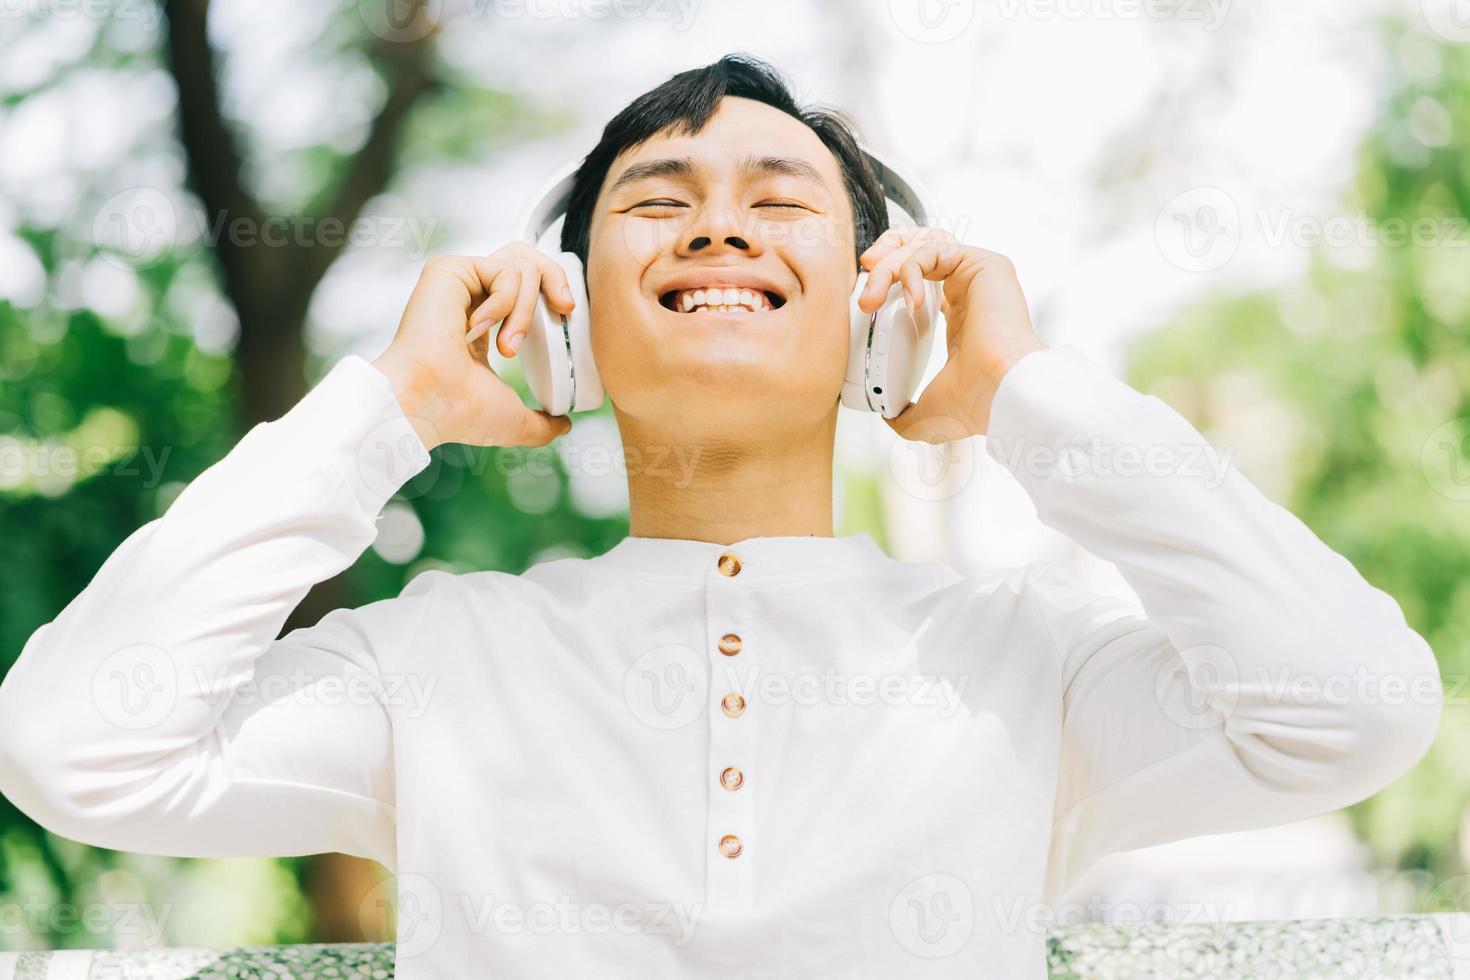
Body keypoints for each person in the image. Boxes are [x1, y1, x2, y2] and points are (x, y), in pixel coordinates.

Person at [0, 54, 1443, 979]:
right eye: (656, 199)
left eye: (781, 199)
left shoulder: (1023, 665)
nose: (718, 226)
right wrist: (388, 408)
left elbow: (1357, 706)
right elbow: (71, 745)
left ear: (880, 317)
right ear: (562, 327)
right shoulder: (435, 662)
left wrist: (1031, 396)